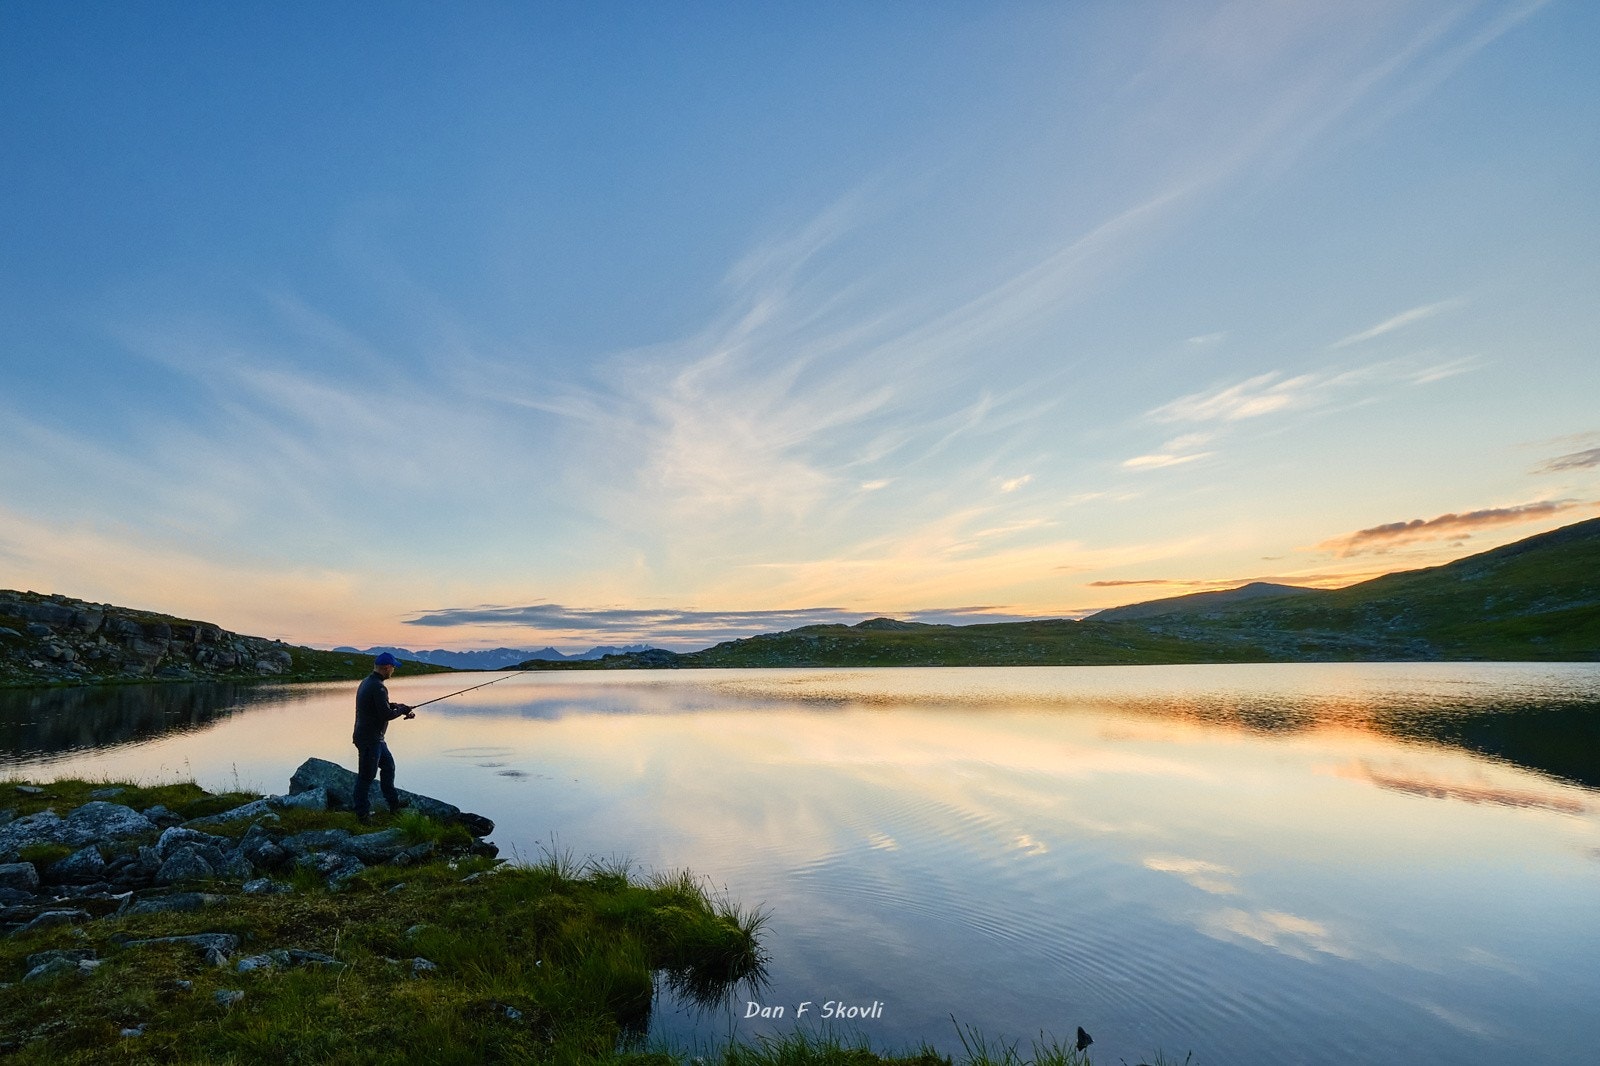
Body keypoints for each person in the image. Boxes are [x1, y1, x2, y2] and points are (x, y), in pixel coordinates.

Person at [353, 651, 415, 823]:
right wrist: (401, 710)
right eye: (393, 667)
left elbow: (380, 706)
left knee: (388, 767)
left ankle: (393, 803)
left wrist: (399, 706)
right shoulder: (378, 686)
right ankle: (362, 815)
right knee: (366, 776)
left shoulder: (368, 682)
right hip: (369, 739)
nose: (394, 670)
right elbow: (386, 714)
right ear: (387, 667)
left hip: (374, 738)